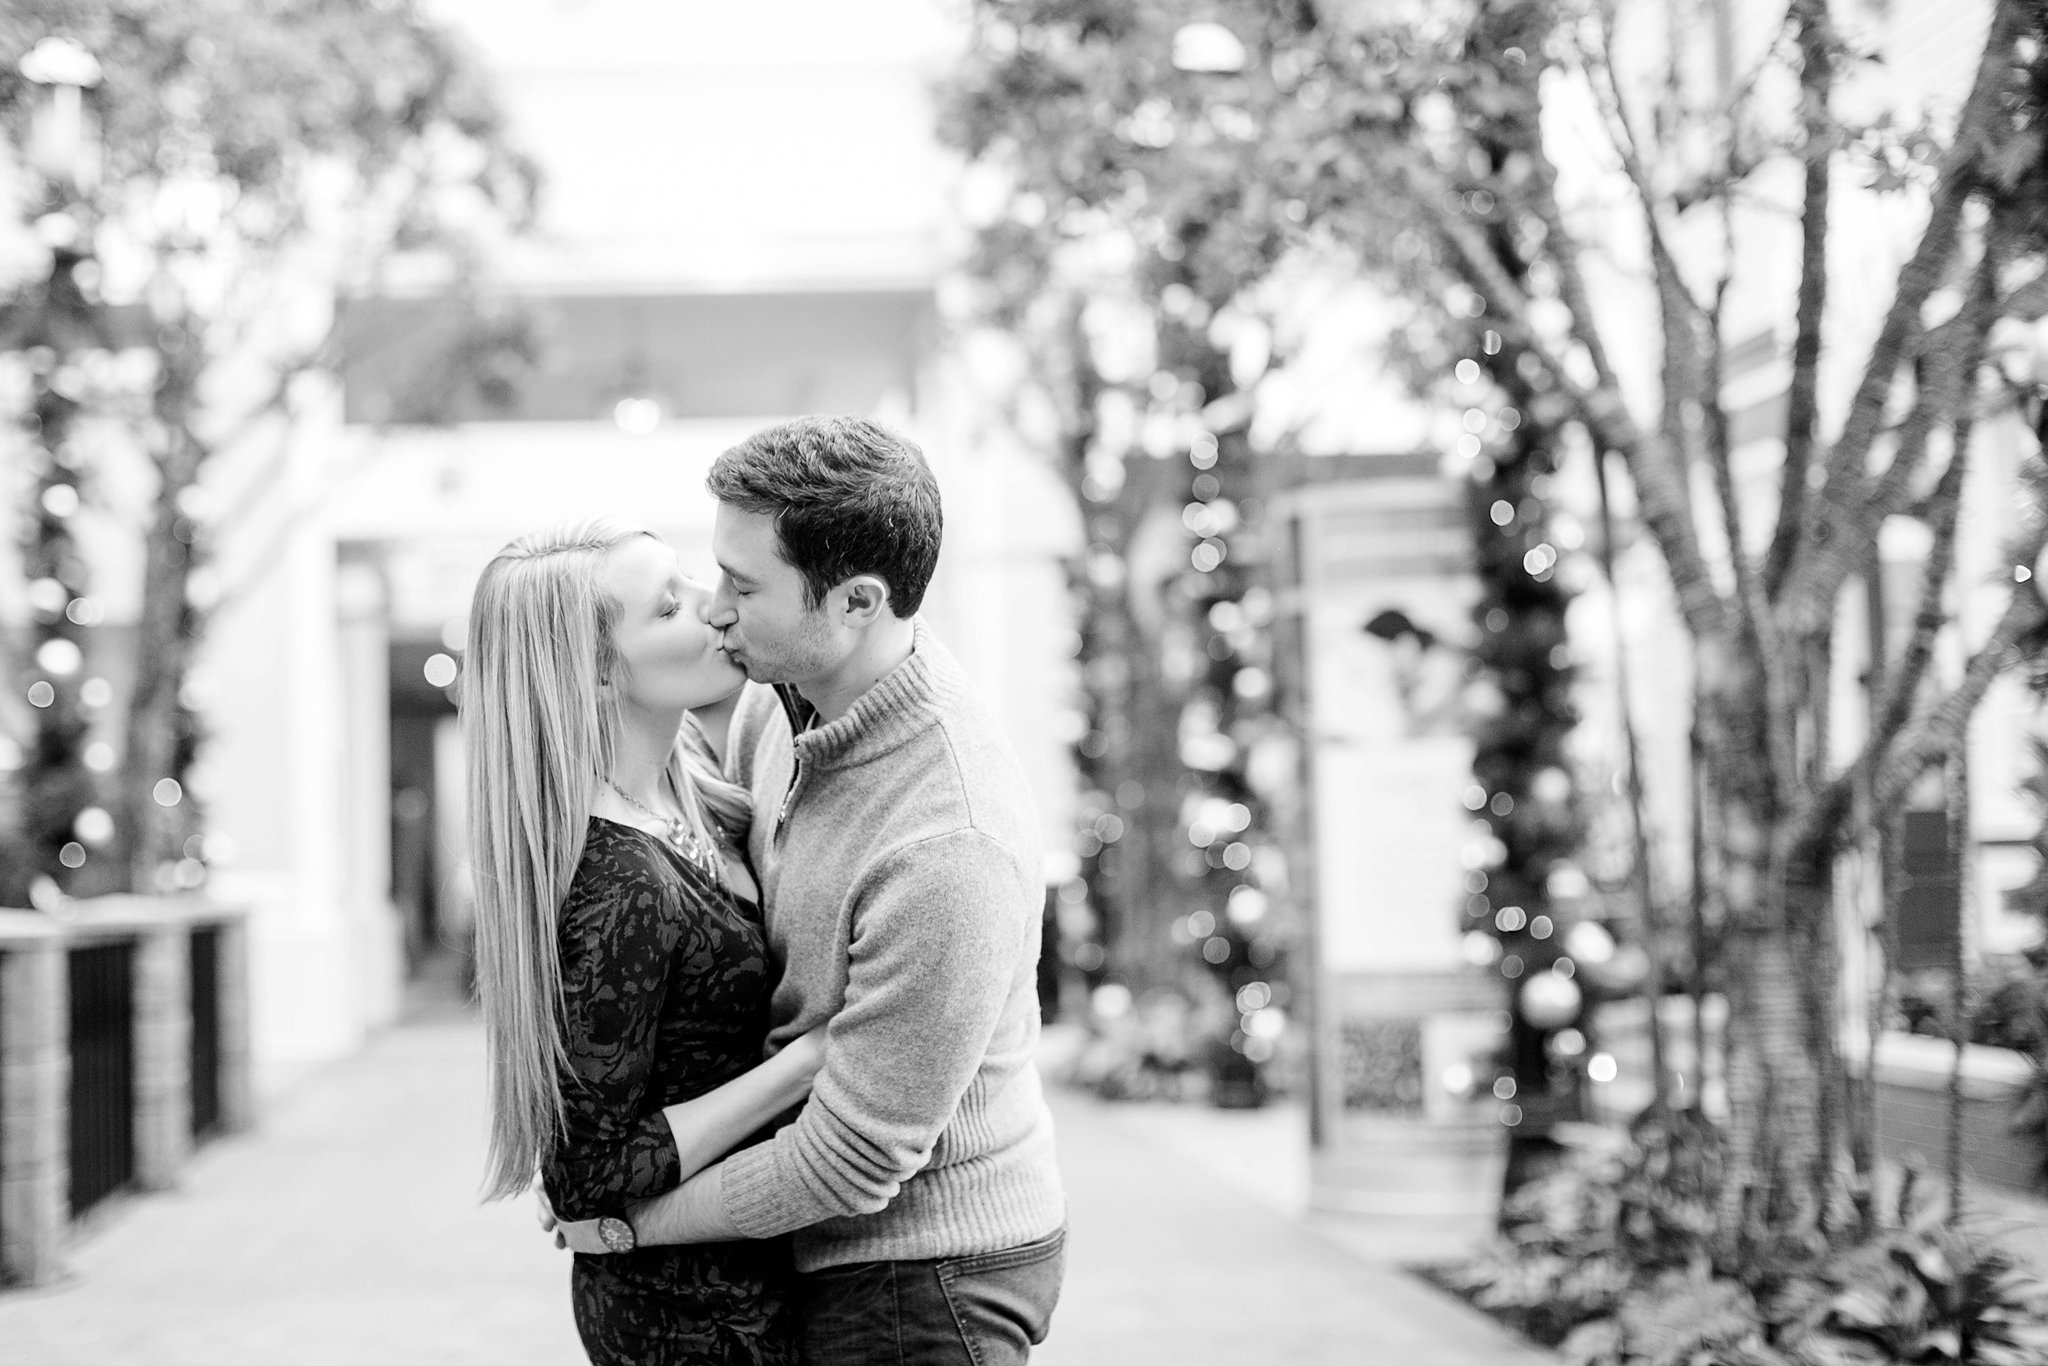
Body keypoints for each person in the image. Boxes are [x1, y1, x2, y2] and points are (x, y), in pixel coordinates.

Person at [549, 417, 1067, 1365]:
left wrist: (632, 1225)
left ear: (858, 601)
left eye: (744, 588)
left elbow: (852, 1161)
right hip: (820, 1258)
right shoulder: (780, 704)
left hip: (924, 1278)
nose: (713, 608)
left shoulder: (948, 840)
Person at [466, 518, 828, 1365]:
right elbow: (586, 1176)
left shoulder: (693, 787)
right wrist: (805, 1064)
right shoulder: (617, 880)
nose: (717, 607)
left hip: (745, 1278)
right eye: (671, 608)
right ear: (595, 672)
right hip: (689, 1317)